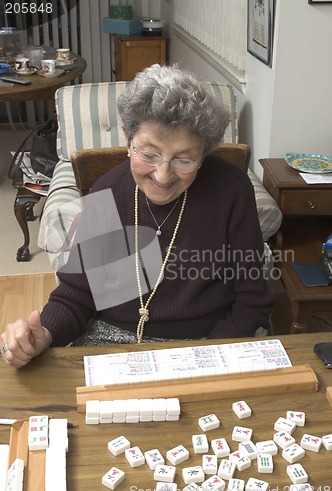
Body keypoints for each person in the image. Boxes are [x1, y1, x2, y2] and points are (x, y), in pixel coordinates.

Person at [1, 64, 274, 368]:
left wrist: (206, 360)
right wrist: (43, 335)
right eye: (149, 153)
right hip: (112, 339)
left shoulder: (231, 192)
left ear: (204, 153)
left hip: (206, 343)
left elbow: (252, 301)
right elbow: (79, 293)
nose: (163, 174)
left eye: (184, 159)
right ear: (128, 139)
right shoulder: (109, 192)